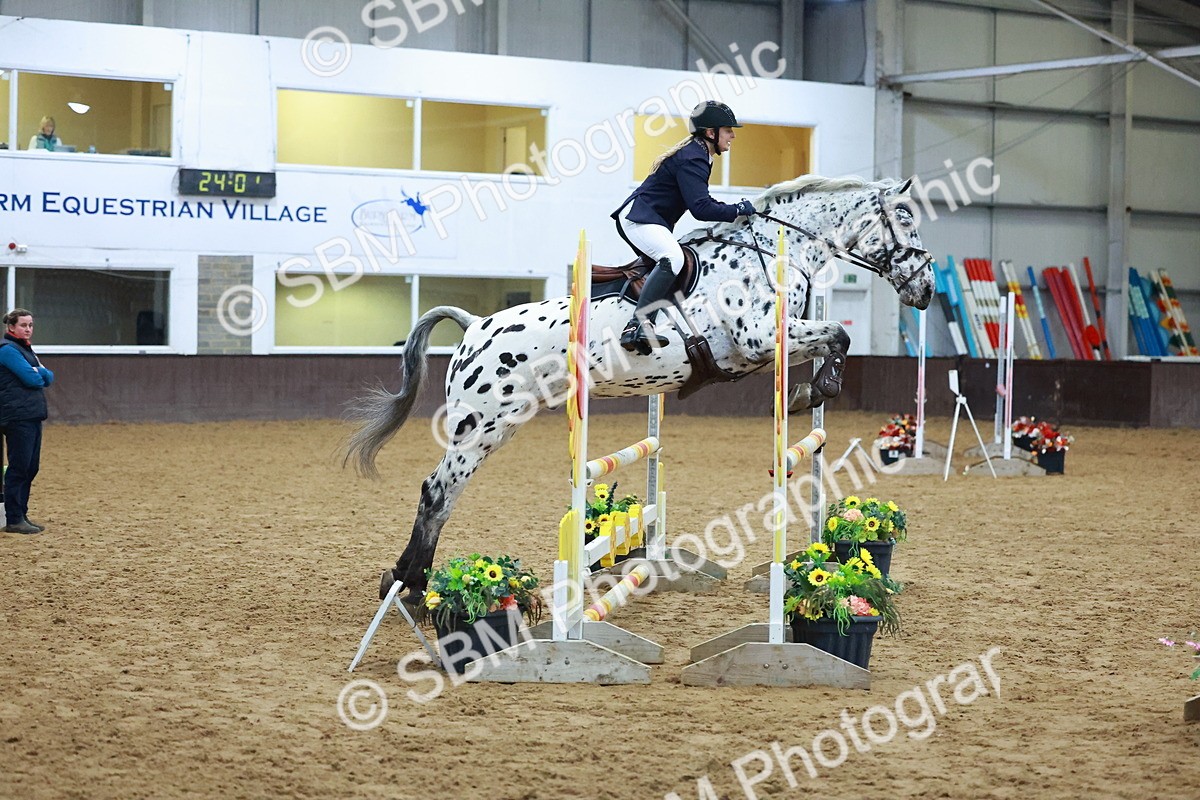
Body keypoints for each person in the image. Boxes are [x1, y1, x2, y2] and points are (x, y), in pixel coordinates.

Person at [611, 100, 756, 355]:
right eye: (727, 129)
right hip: (638, 218)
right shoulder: (693, 158)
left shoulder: (699, 153)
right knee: (673, 257)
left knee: (673, 261)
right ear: (711, 133)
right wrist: (737, 210)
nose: (732, 135)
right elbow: (701, 208)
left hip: (648, 218)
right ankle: (638, 325)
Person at [0, 309, 53, 534]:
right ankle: (14, 518)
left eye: (30, 325)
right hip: (17, 415)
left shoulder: (26, 350)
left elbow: (48, 377)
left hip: (31, 414)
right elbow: (33, 378)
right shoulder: (8, 350)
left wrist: (36, 370)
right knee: (19, 467)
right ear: (11, 327)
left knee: (31, 467)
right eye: (23, 325)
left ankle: (22, 513)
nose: (28, 329)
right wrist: (36, 371)